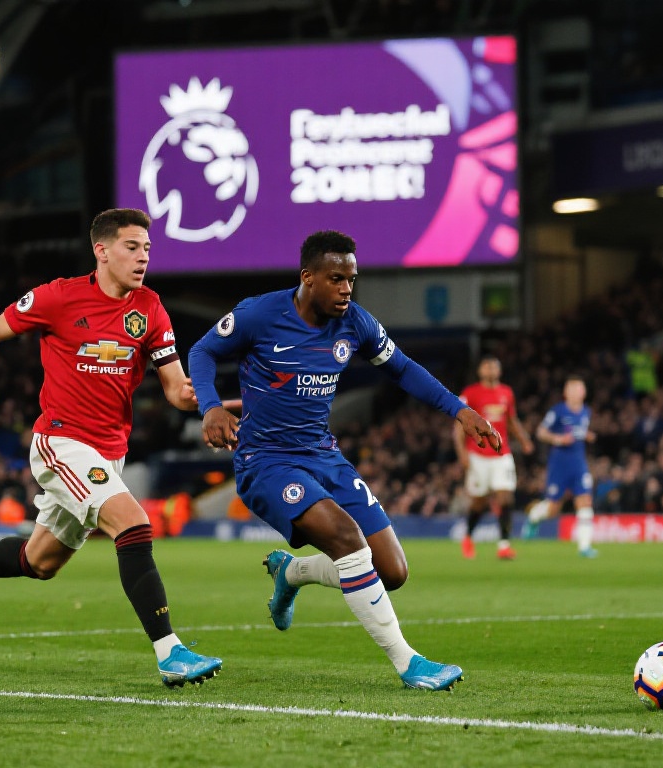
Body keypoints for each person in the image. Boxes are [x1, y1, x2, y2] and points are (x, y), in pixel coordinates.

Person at [0, 208, 222, 688]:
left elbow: (175, 389)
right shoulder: (59, 296)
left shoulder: (150, 308)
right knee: (134, 523)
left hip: (109, 453)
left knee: (40, 562)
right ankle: (170, 652)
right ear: (101, 251)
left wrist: (211, 402)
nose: (143, 257)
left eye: (146, 248)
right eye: (131, 247)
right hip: (61, 442)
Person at [188, 230, 501, 691]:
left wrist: (460, 410)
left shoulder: (356, 323)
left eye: (351, 279)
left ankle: (292, 572)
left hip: (324, 456)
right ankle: (409, 663)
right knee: (347, 539)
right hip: (266, 462)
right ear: (308, 278)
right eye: (336, 279)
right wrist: (211, 406)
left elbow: (402, 368)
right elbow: (202, 351)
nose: (346, 289)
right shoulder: (260, 314)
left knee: (392, 571)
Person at [452, 356, 534, 560]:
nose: (490, 370)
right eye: (486, 366)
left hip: (501, 453)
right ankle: (468, 537)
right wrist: (462, 453)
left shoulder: (507, 392)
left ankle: (504, 545)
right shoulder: (470, 393)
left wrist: (524, 440)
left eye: (493, 367)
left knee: (505, 496)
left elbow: (511, 420)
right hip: (478, 454)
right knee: (479, 502)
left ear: (499, 371)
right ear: (480, 371)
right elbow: (459, 426)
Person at [521, 375, 599, 557]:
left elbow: (577, 431)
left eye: (579, 389)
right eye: (573, 389)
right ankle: (533, 518)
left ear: (584, 392)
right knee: (553, 508)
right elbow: (541, 432)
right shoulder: (557, 411)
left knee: (585, 501)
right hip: (559, 464)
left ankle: (584, 547)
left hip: (579, 463)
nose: (577, 393)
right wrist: (558, 439)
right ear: (566, 392)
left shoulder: (586, 412)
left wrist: (586, 435)